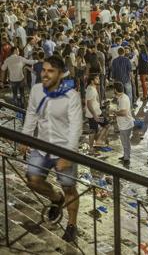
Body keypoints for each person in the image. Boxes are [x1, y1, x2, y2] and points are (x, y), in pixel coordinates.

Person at [20, 55, 83, 242]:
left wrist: (68, 154)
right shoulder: (36, 90)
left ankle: (72, 225)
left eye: (50, 71)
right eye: (43, 70)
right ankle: (56, 199)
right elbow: (31, 114)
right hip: (41, 146)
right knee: (32, 180)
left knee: (69, 187)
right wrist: (25, 137)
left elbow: (76, 127)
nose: (45, 74)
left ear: (60, 74)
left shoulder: (71, 96)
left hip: (63, 148)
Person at [85, 74, 110, 149]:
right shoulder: (91, 90)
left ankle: (98, 142)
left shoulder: (92, 87)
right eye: (97, 79)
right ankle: (93, 146)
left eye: (98, 78)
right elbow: (89, 104)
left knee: (103, 126)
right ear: (92, 81)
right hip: (94, 114)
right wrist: (94, 115)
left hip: (97, 113)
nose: (98, 80)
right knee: (94, 130)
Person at [112, 82, 134, 167]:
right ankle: (125, 155)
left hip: (126, 125)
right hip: (124, 124)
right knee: (125, 142)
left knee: (125, 142)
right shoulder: (121, 97)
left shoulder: (123, 99)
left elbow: (124, 112)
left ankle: (126, 158)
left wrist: (115, 112)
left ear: (115, 90)